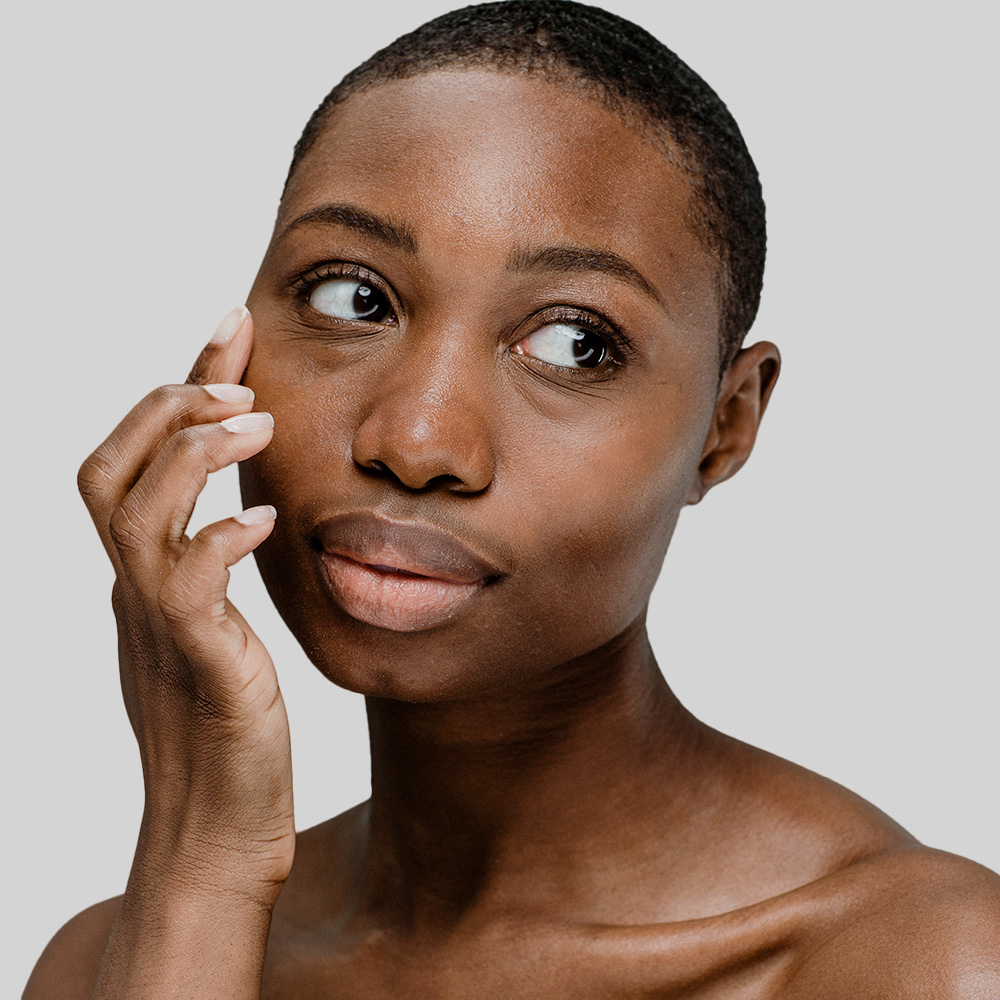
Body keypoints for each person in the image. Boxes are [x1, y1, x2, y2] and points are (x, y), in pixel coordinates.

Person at [23, 2, 1000, 997]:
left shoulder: (918, 964)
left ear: (727, 421)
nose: (415, 442)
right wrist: (201, 864)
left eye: (575, 344)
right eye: (353, 297)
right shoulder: (102, 962)